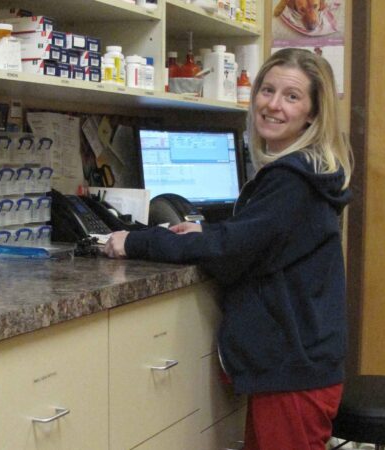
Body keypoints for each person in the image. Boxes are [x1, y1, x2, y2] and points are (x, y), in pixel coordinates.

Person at [103, 48, 352, 450]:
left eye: (291, 96)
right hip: (298, 362)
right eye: (267, 90)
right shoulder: (309, 171)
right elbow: (262, 238)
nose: (272, 105)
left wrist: (135, 239)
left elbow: (231, 250)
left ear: (312, 114)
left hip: (293, 372)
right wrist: (206, 230)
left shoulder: (293, 180)